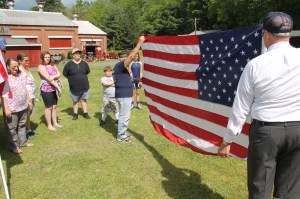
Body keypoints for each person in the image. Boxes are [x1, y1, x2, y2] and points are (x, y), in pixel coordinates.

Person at [218, 12, 300, 199]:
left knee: (260, 189)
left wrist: (227, 140)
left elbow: (241, 107)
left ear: (267, 34)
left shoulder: (256, 65)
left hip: (267, 132)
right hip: (298, 129)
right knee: (290, 191)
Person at [113, 36, 145, 143]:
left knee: (124, 115)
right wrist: (139, 43)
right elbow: (132, 56)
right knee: (124, 116)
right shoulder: (120, 66)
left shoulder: (120, 68)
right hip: (123, 95)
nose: (127, 59)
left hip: (123, 94)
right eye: (125, 58)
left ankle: (122, 132)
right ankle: (121, 135)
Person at [2, 58, 34, 154]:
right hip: (12, 108)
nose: (16, 68)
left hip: (23, 106)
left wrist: (29, 101)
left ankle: (23, 142)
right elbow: (3, 94)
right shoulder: (5, 78)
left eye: (17, 66)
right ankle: (14, 146)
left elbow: (25, 89)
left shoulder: (20, 76)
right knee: (12, 128)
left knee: (22, 125)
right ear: (8, 67)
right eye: (14, 67)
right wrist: (6, 108)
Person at [63, 48, 91, 120]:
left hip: (84, 85)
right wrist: (72, 79)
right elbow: (65, 74)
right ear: (73, 55)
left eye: (79, 53)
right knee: (75, 101)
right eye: (76, 53)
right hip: (74, 86)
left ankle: (85, 113)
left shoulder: (84, 63)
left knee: (84, 100)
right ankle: (75, 114)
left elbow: (87, 72)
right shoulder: (68, 64)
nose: (78, 55)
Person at [38, 51, 63, 131]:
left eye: (48, 57)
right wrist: (58, 87)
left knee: (54, 107)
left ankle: (55, 123)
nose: (47, 59)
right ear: (42, 58)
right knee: (49, 107)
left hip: (53, 89)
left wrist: (53, 76)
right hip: (46, 89)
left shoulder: (52, 65)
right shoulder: (41, 67)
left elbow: (59, 74)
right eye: (46, 57)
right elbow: (48, 79)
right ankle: (49, 125)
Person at [17, 52, 37, 139]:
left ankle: (28, 130)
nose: (28, 62)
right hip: (25, 96)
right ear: (20, 61)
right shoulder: (19, 71)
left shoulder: (27, 69)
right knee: (24, 116)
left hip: (31, 95)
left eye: (28, 60)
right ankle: (23, 133)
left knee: (28, 114)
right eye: (26, 60)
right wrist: (27, 98)